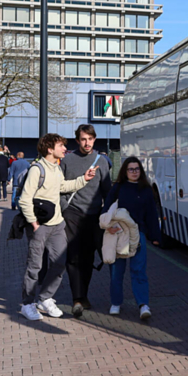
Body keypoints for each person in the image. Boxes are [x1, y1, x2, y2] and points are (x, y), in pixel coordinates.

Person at [17, 133, 96, 321]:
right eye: (61, 146)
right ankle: (27, 304)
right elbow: (25, 199)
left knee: (59, 264)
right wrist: (34, 224)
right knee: (34, 266)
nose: (64, 149)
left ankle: (45, 298)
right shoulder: (37, 169)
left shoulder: (56, 168)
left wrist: (83, 179)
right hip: (41, 226)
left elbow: (64, 186)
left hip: (57, 225)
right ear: (50, 149)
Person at [60, 124, 112, 318]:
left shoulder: (102, 161)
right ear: (77, 140)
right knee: (73, 256)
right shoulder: (67, 160)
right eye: (83, 139)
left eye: (90, 139)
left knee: (89, 257)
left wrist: (107, 215)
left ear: (94, 140)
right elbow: (60, 187)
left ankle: (84, 294)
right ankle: (77, 298)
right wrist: (65, 209)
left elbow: (107, 191)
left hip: (94, 215)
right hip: (72, 213)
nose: (87, 143)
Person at [103, 156, 161, 321]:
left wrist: (155, 236)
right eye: (130, 169)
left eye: (137, 169)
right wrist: (108, 226)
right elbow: (107, 208)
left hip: (138, 234)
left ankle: (143, 305)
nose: (134, 172)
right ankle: (116, 302)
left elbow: (151, 214)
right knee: (116, 271)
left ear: (140, 171)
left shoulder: (146, 189)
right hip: (119, 234)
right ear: (125, 171)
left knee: (138, 270)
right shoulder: (118, 188)